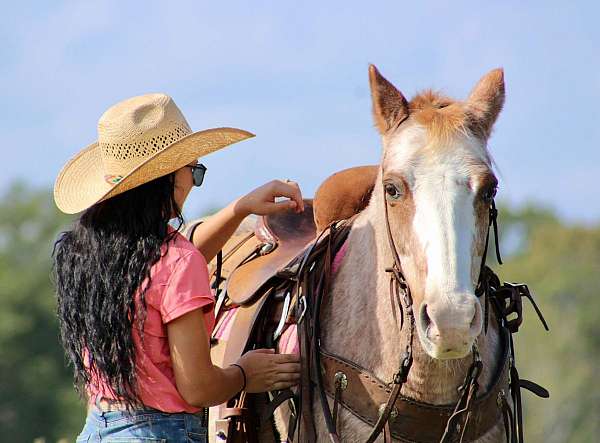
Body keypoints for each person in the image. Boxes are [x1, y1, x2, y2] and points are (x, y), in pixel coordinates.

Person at [52, 93, 303, 442]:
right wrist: (245, 373)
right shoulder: (176, 261)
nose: (193, 183)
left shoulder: (82, 254)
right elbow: (199, 388)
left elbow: (160, 278)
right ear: (168, 177)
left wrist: (240, 209)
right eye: (194, 171)